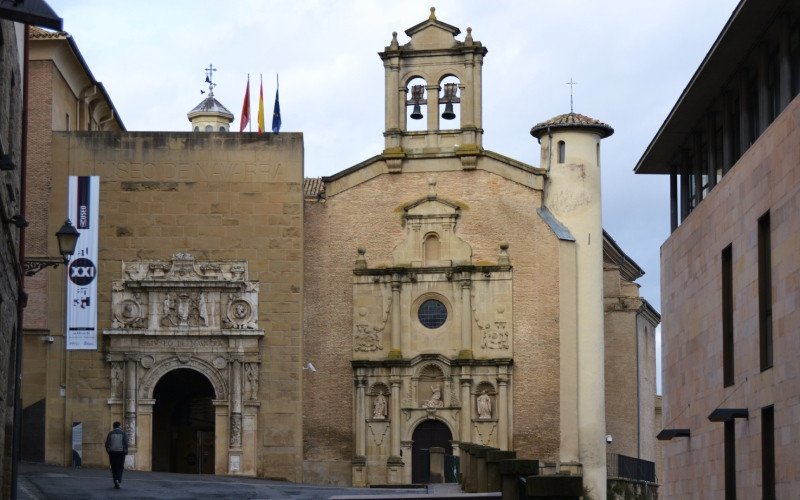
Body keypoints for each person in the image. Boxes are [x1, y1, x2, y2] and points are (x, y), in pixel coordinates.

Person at [105, 421, 128, 489]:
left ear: (114, 426)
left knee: (114, 467)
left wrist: (109, 451)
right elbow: (126, 443)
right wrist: (125, 451)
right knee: (120, 467)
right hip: (121, 453)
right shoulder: (123, 433)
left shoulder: (110, 433)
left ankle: (115, 480)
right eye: (121, 425)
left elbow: (107, 444)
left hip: (112, 453)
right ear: (119, 426)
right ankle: (118, 480)